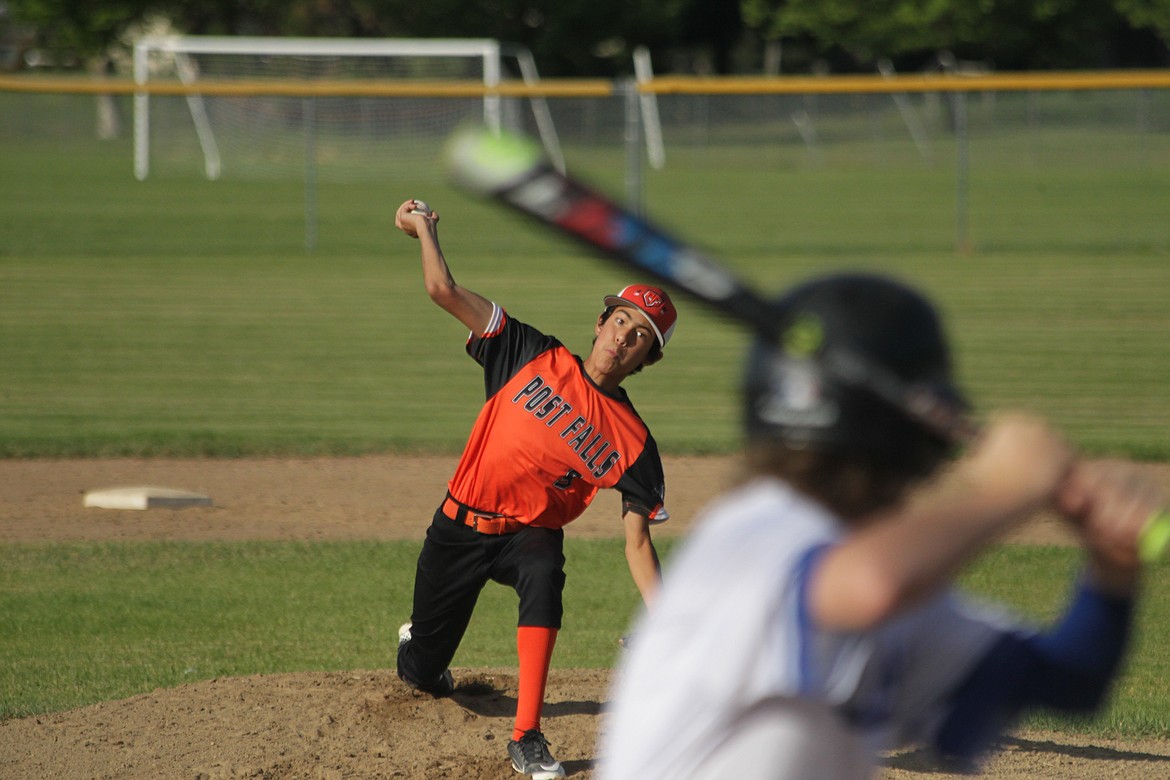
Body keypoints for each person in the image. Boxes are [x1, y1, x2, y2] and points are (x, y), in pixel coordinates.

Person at [597, 272, 1160, 780]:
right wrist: (1006, 490)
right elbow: (869, 584)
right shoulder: (749, 532)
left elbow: (1071, 682)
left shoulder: (878, 577)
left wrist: (1112, 567)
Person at [392, 198, 676, 780]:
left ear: (647, 358)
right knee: (422, 672)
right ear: (600, 324)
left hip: (529, 535)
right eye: (621, 319)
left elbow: (638, 543)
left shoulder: (634, 444)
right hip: (459, 526)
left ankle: (526, 736)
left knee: (546, 567)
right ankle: (420, 646)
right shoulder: (529, 352)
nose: (624, 336)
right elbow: (444, 291)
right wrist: (423, 229)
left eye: (640, 335)